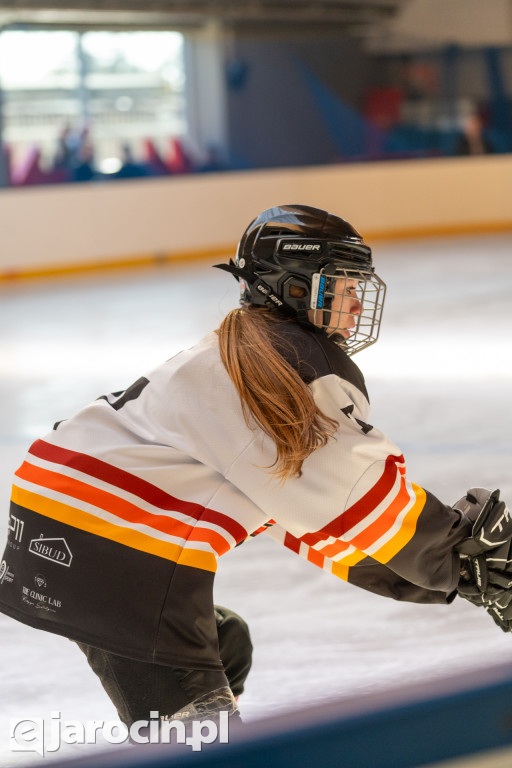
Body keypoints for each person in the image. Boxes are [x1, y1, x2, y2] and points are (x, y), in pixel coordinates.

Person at [1, 204, 511, 735]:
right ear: (294, 287)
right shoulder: (288, 369)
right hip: (108, 555)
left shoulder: (247, 348)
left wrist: (446, 578)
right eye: (343, 283)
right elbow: (361, 499)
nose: (358, 300)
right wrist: (462, 558)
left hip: (61, 530)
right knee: (197, 737)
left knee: (227, 646)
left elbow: (314, 521)